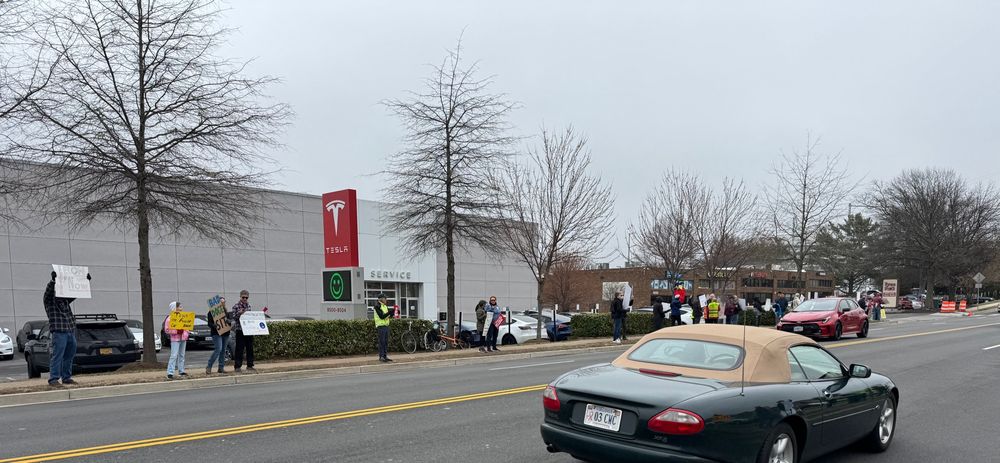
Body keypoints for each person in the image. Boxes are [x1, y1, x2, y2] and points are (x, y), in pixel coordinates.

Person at [43, 270, 89, 387]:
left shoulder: (64, 300)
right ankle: (53, 379)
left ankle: (66, 377)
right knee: (57, 355)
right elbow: (48, 292)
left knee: (69, 355)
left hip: (70, 330)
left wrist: (85, 281)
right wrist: (53, 281)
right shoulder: (49, 301)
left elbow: (76, 293)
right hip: (59, 332)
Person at [231, 289, 257, 373]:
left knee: (250, 348)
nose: (245, 299)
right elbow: (234, 317)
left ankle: (250, 365)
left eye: (246, 297)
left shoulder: (249, 306)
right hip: (240, 330)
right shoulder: (236, 306)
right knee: (239, 349)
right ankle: (237, 366)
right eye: (243, 297)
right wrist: (240, 313)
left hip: (249, 330)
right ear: (240, 297)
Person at [164, 302, 189, 379]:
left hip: (183, 338)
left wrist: (185, 333)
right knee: (174, 355)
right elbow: (167, 330)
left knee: (182, 355)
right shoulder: (170, 318)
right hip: (175, 339)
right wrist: (176, 331)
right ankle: (170, 372)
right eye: (180, 306)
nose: (181, 308)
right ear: (175, 308)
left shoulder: (183, 317)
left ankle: (181, 370)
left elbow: (187, 326)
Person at [206, 297, 230, 375]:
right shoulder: (211, 312)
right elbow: (209, 323)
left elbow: (230, 321)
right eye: (221, 302)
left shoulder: (226, 312)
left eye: (224, 302)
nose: (223, 303)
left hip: (225, 333)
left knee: (223, 350)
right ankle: (209, 366)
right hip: (216, 333)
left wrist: (228, 321)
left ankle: (221, 368)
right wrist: (214, 325)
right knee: (218, 349)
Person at [373, 293, 393, 362]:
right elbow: (381, 316)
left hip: (386, 326)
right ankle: (381, 356)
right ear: (381, 299)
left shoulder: (385, 306)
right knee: (382, 342)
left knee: (386, 342)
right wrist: (389, 312)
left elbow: (387, 316)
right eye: (385, 298)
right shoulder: (377, 306)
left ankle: (385, 356)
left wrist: (392, 314)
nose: (386, 299)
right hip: (380, 326)